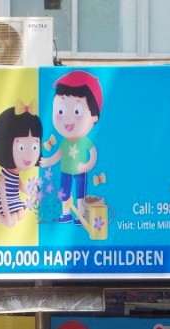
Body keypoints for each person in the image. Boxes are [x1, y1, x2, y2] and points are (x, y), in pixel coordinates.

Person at [44, 71, 102, 223]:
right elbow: (58, 155)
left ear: (94, 116)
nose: (68, 118)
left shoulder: (84, 141)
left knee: (80, 194)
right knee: (64, 192)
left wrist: (87, 165)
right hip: (66, 171)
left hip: (80, 171)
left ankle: (80, 215)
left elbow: (93, 154)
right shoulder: (65, 142)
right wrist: (47, 161)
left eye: (77, 111)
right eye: (61, 111)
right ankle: (66, 213)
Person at [0, 103, 43, 227]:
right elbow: (2, 196)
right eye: (21, 147)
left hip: (14, 200)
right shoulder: (4, 175)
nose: (28, 155)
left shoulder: (15, 175)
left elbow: (22, 187)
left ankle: (3, 216)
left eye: (34, 147)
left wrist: (35, 194)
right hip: (4, 203)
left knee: (20, 215)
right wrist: (7, 215)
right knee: (10, 222)